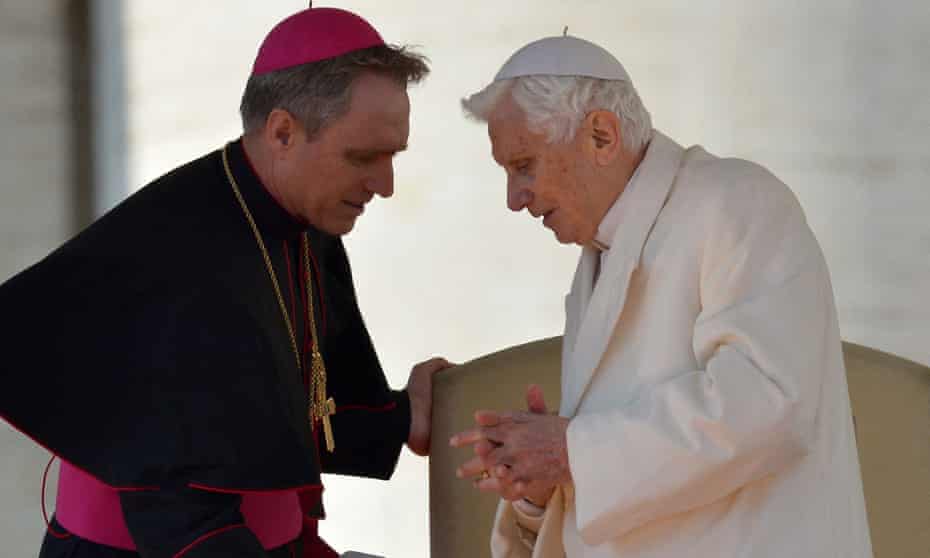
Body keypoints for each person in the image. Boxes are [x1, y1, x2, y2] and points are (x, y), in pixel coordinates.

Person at [0, 7, 451, 558]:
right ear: (282, 131)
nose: (385, 184)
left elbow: (287, 401)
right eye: (363, 157)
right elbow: (176, 509)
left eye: (392, 156)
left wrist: (404, 416)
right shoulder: (177, 259)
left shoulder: (300, 220)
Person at [450, 35, 872, 557]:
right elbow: (633, 479)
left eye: (523, 165)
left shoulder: (737, 202)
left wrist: (569, 450)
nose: (514, 199)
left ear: (601, 136)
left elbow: (768, 404)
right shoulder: (598, 258)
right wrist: (541, 491)